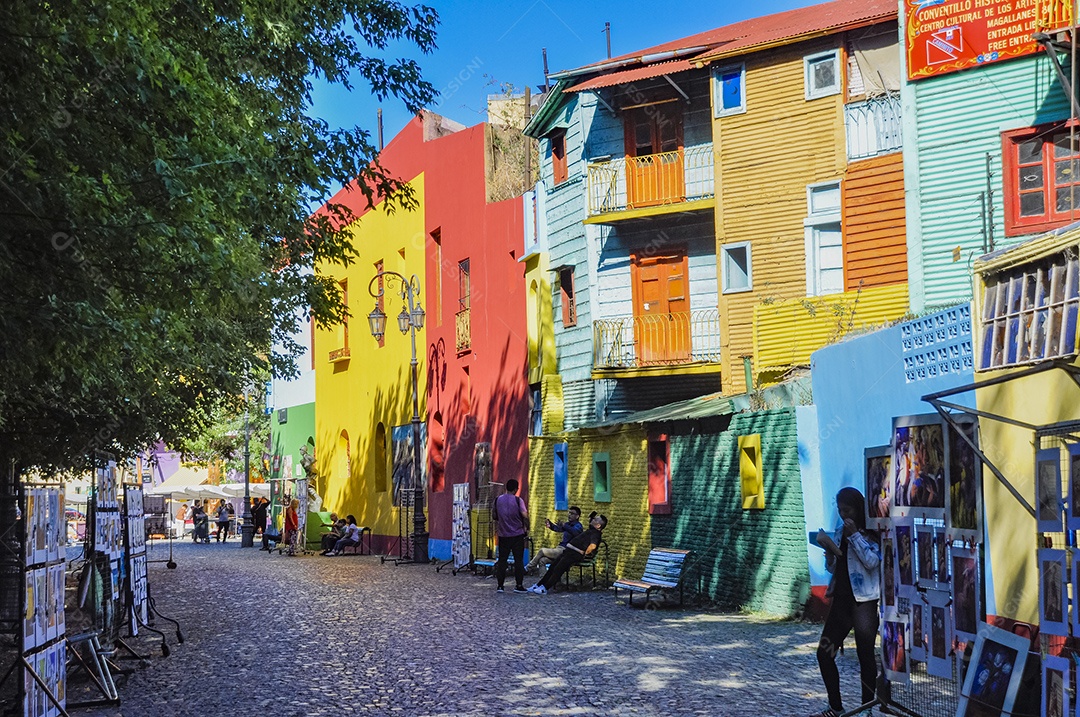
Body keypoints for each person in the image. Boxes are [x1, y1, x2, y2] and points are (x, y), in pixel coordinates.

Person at [810, 487, 881, 717]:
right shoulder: (841, 531)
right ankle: (836, 706)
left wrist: (855, 537)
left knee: (865, 657)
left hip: (864, 604)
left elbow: (872, 562)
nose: (843, 515)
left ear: (858, 509)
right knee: (825, 652)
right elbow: (835, 567)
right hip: (841, 603)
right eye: (840, 510)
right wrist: (829, 554)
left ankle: (865, 709)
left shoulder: (871, 532)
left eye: (847, 510)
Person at [528, 512, 606, 594]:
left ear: (598, 526)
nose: (593, 519)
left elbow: (593, 546)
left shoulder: (596, 534)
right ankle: (539, 585)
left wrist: (584, 553)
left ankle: (545, 588)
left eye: (595, 519)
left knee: (558, 569)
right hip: (569, 552)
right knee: (552, 567)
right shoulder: (591, 530)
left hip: (574, 554)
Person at [492, 478, 529, 594]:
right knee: (518, 561)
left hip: (503, 535)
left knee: (502, 561)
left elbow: (494, 515)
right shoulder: (518, 501)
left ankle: (500, 586)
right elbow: (524, 515)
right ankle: (518, 585)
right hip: (517, 535)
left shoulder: (497, 500)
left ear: (506, 488)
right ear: (516, 489)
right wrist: (526, 527)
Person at [524, 506, 583, 575]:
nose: (569, 515)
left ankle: (528, 568)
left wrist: (564, 525)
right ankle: (543, 582)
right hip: (560, 549)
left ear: (577, 516)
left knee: (542, 551)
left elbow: (575, 532)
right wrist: (550, 525)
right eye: (569, 513)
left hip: (567, 551)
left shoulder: (578, 526)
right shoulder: (567, 524)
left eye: (572, 513)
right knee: (542, 560)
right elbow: (558, 528)